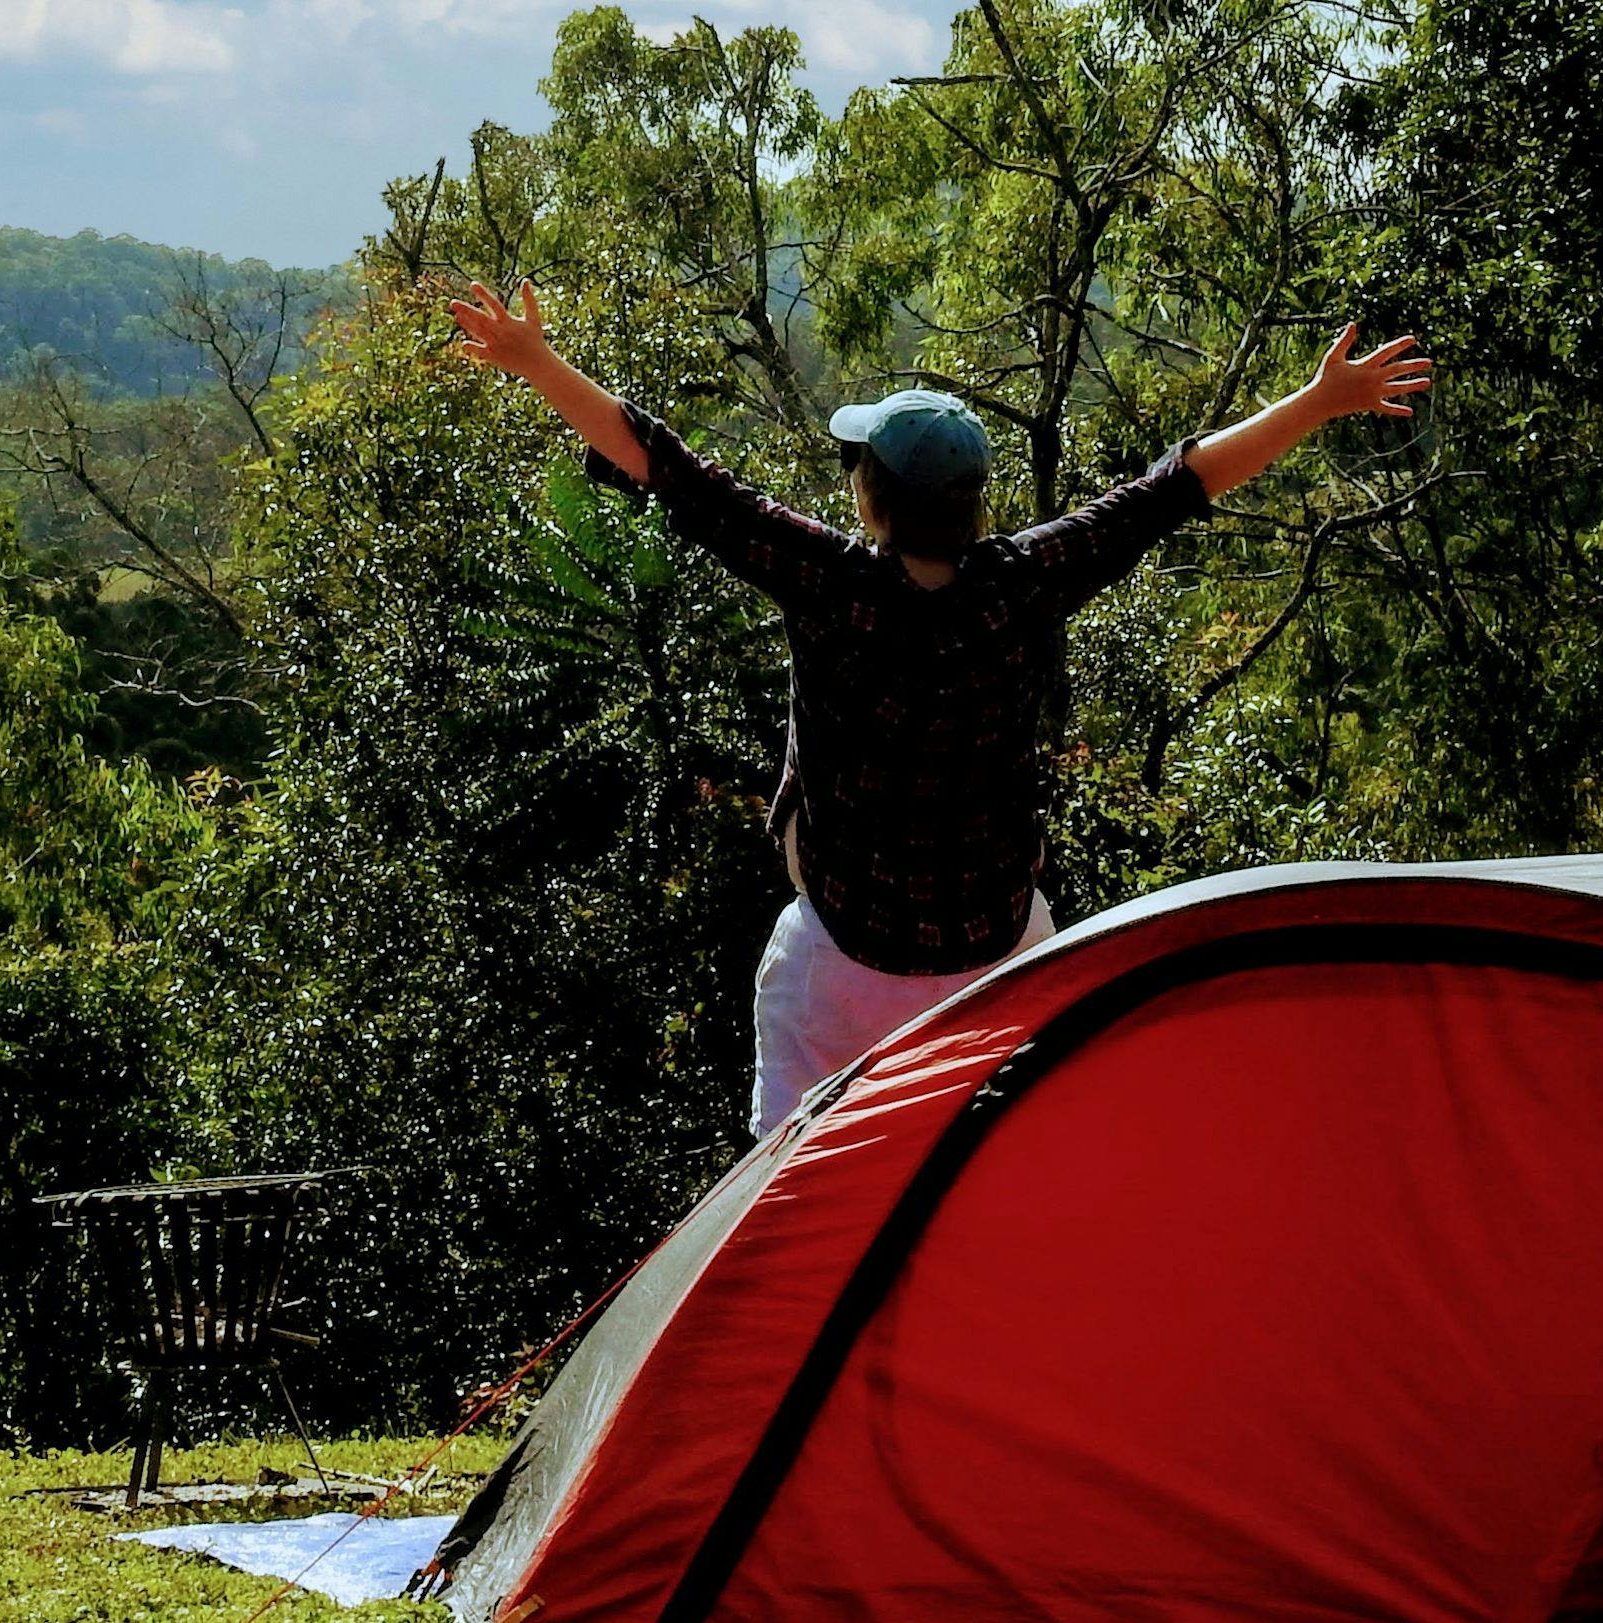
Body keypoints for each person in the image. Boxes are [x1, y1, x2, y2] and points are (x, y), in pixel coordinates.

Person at [446, 281, 1433, 1138]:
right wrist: (1319, 401)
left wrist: (537, 362)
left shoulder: (831, 583)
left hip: (844, 959)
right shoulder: (1027, 581)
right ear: (974, 504)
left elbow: (673, 470)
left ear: (871, 499)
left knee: (784, 1183)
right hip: (1001, 954)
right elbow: (1175, 487)